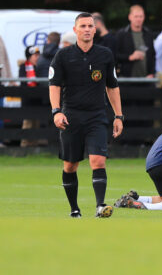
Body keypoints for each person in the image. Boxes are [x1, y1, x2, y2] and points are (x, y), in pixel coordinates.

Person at [49, 12, 124, 218]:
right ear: (75, 30)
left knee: (98, 160)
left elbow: (113, 86)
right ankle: (74, 209)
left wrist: (118, 116)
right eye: (83, 26)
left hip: (96, 116)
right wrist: (56, 112)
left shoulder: (105, 54)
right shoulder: (63, 55)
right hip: (70, 116)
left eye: (90, 26)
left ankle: (100, 206)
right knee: (70, 165)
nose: (87, 29)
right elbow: (54, 85)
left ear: (95, 29)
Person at [114, 5, 156, 78]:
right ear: (130, 17)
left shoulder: (148, 34)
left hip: (147, 80)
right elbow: (114, 55)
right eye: (136, 16)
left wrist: (152, 73)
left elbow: (153, 56)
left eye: (141, 16)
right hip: (127, 80)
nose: (138, 19)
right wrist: (129, 57)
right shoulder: (121, 34)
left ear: (144, 17)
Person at [18, 46, 41, 147]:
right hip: (28, 101)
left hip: (38, 101)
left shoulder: (39, 67)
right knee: (27, 124)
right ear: (29, 57)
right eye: (35, 55)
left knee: (36, 124)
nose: (37, 57)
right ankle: (24, 145)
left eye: (38, 55)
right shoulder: (23, 67)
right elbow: (23, 83)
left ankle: (34, 146)